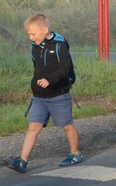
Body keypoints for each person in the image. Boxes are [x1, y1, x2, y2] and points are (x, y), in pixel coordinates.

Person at [5, 14, 83, 173]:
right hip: (40, 96)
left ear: (45, 30)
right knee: (33, 127)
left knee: (67, 126)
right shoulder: (35, 47)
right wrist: (36, 85)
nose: (30, 37)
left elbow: (65, 68)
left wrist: (50, 80)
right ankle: (22, 161)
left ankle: (75, 153)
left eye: (33, 34)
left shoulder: (59, 45)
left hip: (59, 94)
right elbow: (38, 69)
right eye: (28, 34)